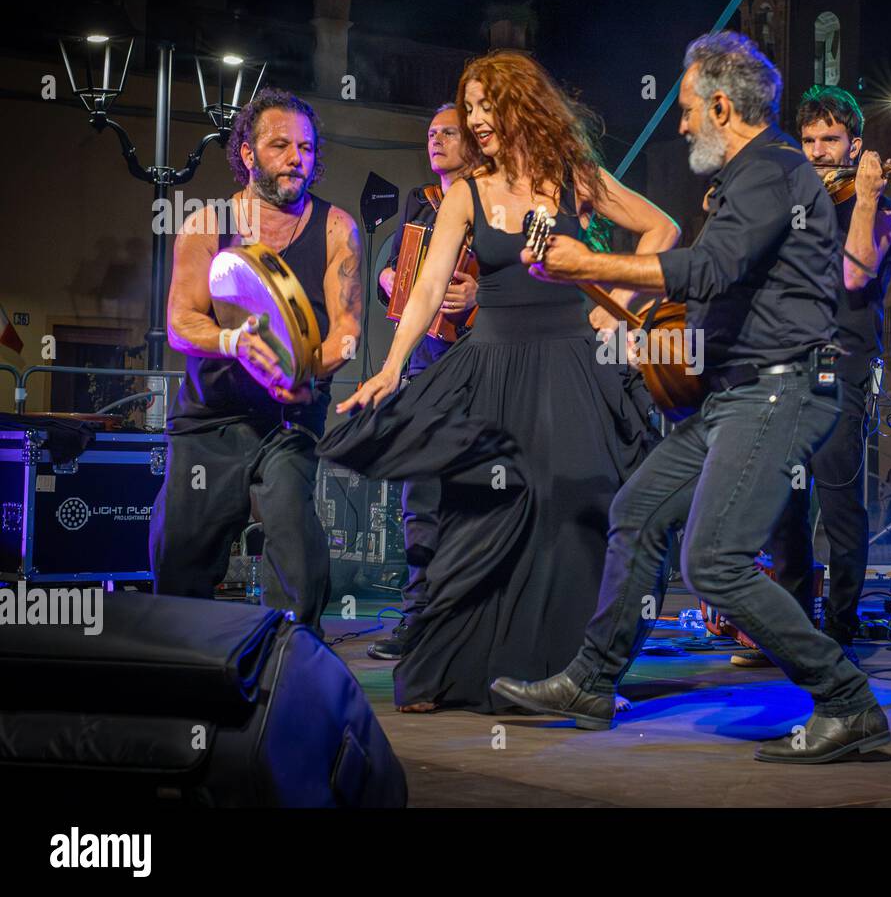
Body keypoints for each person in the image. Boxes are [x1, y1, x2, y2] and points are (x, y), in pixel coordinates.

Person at [490, 32, 891, 765]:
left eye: (683, 110)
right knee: (637, 512)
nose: (677, 125)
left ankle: (847, 700)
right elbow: (724, 288)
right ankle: (591, 679)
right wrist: (600, 292)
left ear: (718, 105)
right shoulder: (750, 177)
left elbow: (709, 266)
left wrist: (588, 259)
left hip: (782, 390)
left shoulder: (770, 168)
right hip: (737, 393)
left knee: (716, 562)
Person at [322, 50, 679, 713]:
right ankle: (450, 671)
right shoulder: (466, 194)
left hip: (574, 363)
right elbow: (427, 287)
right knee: (475, 521)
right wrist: (392, 366)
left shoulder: (572, 176)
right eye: (471, 107)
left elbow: (662, 226)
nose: (478, 119)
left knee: (574, 514)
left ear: (522, 106)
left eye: (489, 105)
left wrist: (610, 301)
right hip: (491, 367)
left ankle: (571, 675)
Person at [150, 88, 362, 633]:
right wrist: (234, 343)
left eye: (307, 148)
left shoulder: (337, 227)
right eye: (280, 145)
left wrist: (306, 373)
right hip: (210, 416)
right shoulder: (206, 223)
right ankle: (183, 661)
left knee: (294, 540)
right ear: (247, 153)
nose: (297, 158)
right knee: (180, 553)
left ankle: (292, 663)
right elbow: (181, 320)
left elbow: (347, 333)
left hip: (288, 418)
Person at [733, 84, 891, 668]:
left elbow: (856, 275)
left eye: (830, 139)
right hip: (785, 361)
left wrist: (862, 198)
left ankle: (840, 628)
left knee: (836, 503)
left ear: (855, 145)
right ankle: (790, 629)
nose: (817, 150)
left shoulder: (877, 209)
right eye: (807, 140)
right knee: (783, 504)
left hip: (842, 363)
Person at [368, 103, 478, 661]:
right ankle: (418, 618)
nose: (436, 141)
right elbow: (395, 274)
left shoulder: (490, 201)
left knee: (476, 497)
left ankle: (470, 622)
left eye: (449, 133)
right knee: (421, 498)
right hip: (423, 368)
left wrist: (476, 296)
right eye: (431, 133)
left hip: (478, 371)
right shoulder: (419, 202)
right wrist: (388, 276)